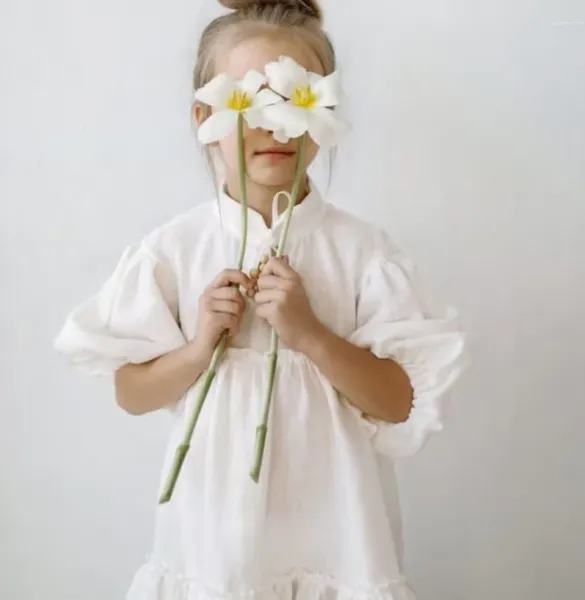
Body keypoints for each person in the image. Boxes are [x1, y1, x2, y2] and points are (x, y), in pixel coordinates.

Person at [55, 1, 468, 598]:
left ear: (324, 110)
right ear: (206, 115)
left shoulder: (361, 253)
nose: (275, 126)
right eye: (250, 102)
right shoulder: (174, 250)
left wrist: (311, 337)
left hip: (336, 533)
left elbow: (399, 401)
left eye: (293, 101)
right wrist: (198, 348)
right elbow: (132, 392)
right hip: (212, 535)